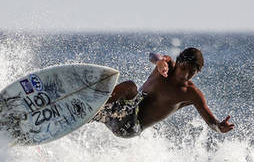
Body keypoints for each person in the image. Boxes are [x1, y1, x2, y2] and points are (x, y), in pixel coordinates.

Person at [93, 47, 234, 138]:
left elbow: (211, 121)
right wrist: (159, 61)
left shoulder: (191, 93)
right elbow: (154, 55)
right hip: (119, 115)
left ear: (197, 73)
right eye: (183, 68)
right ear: (178, 62)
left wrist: (219, 127)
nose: (185, 75)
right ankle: (90, 112)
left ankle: (93, 108)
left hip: (131, 127)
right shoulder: (165, 66)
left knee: (130, 87)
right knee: (127, 90)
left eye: (191, 72)